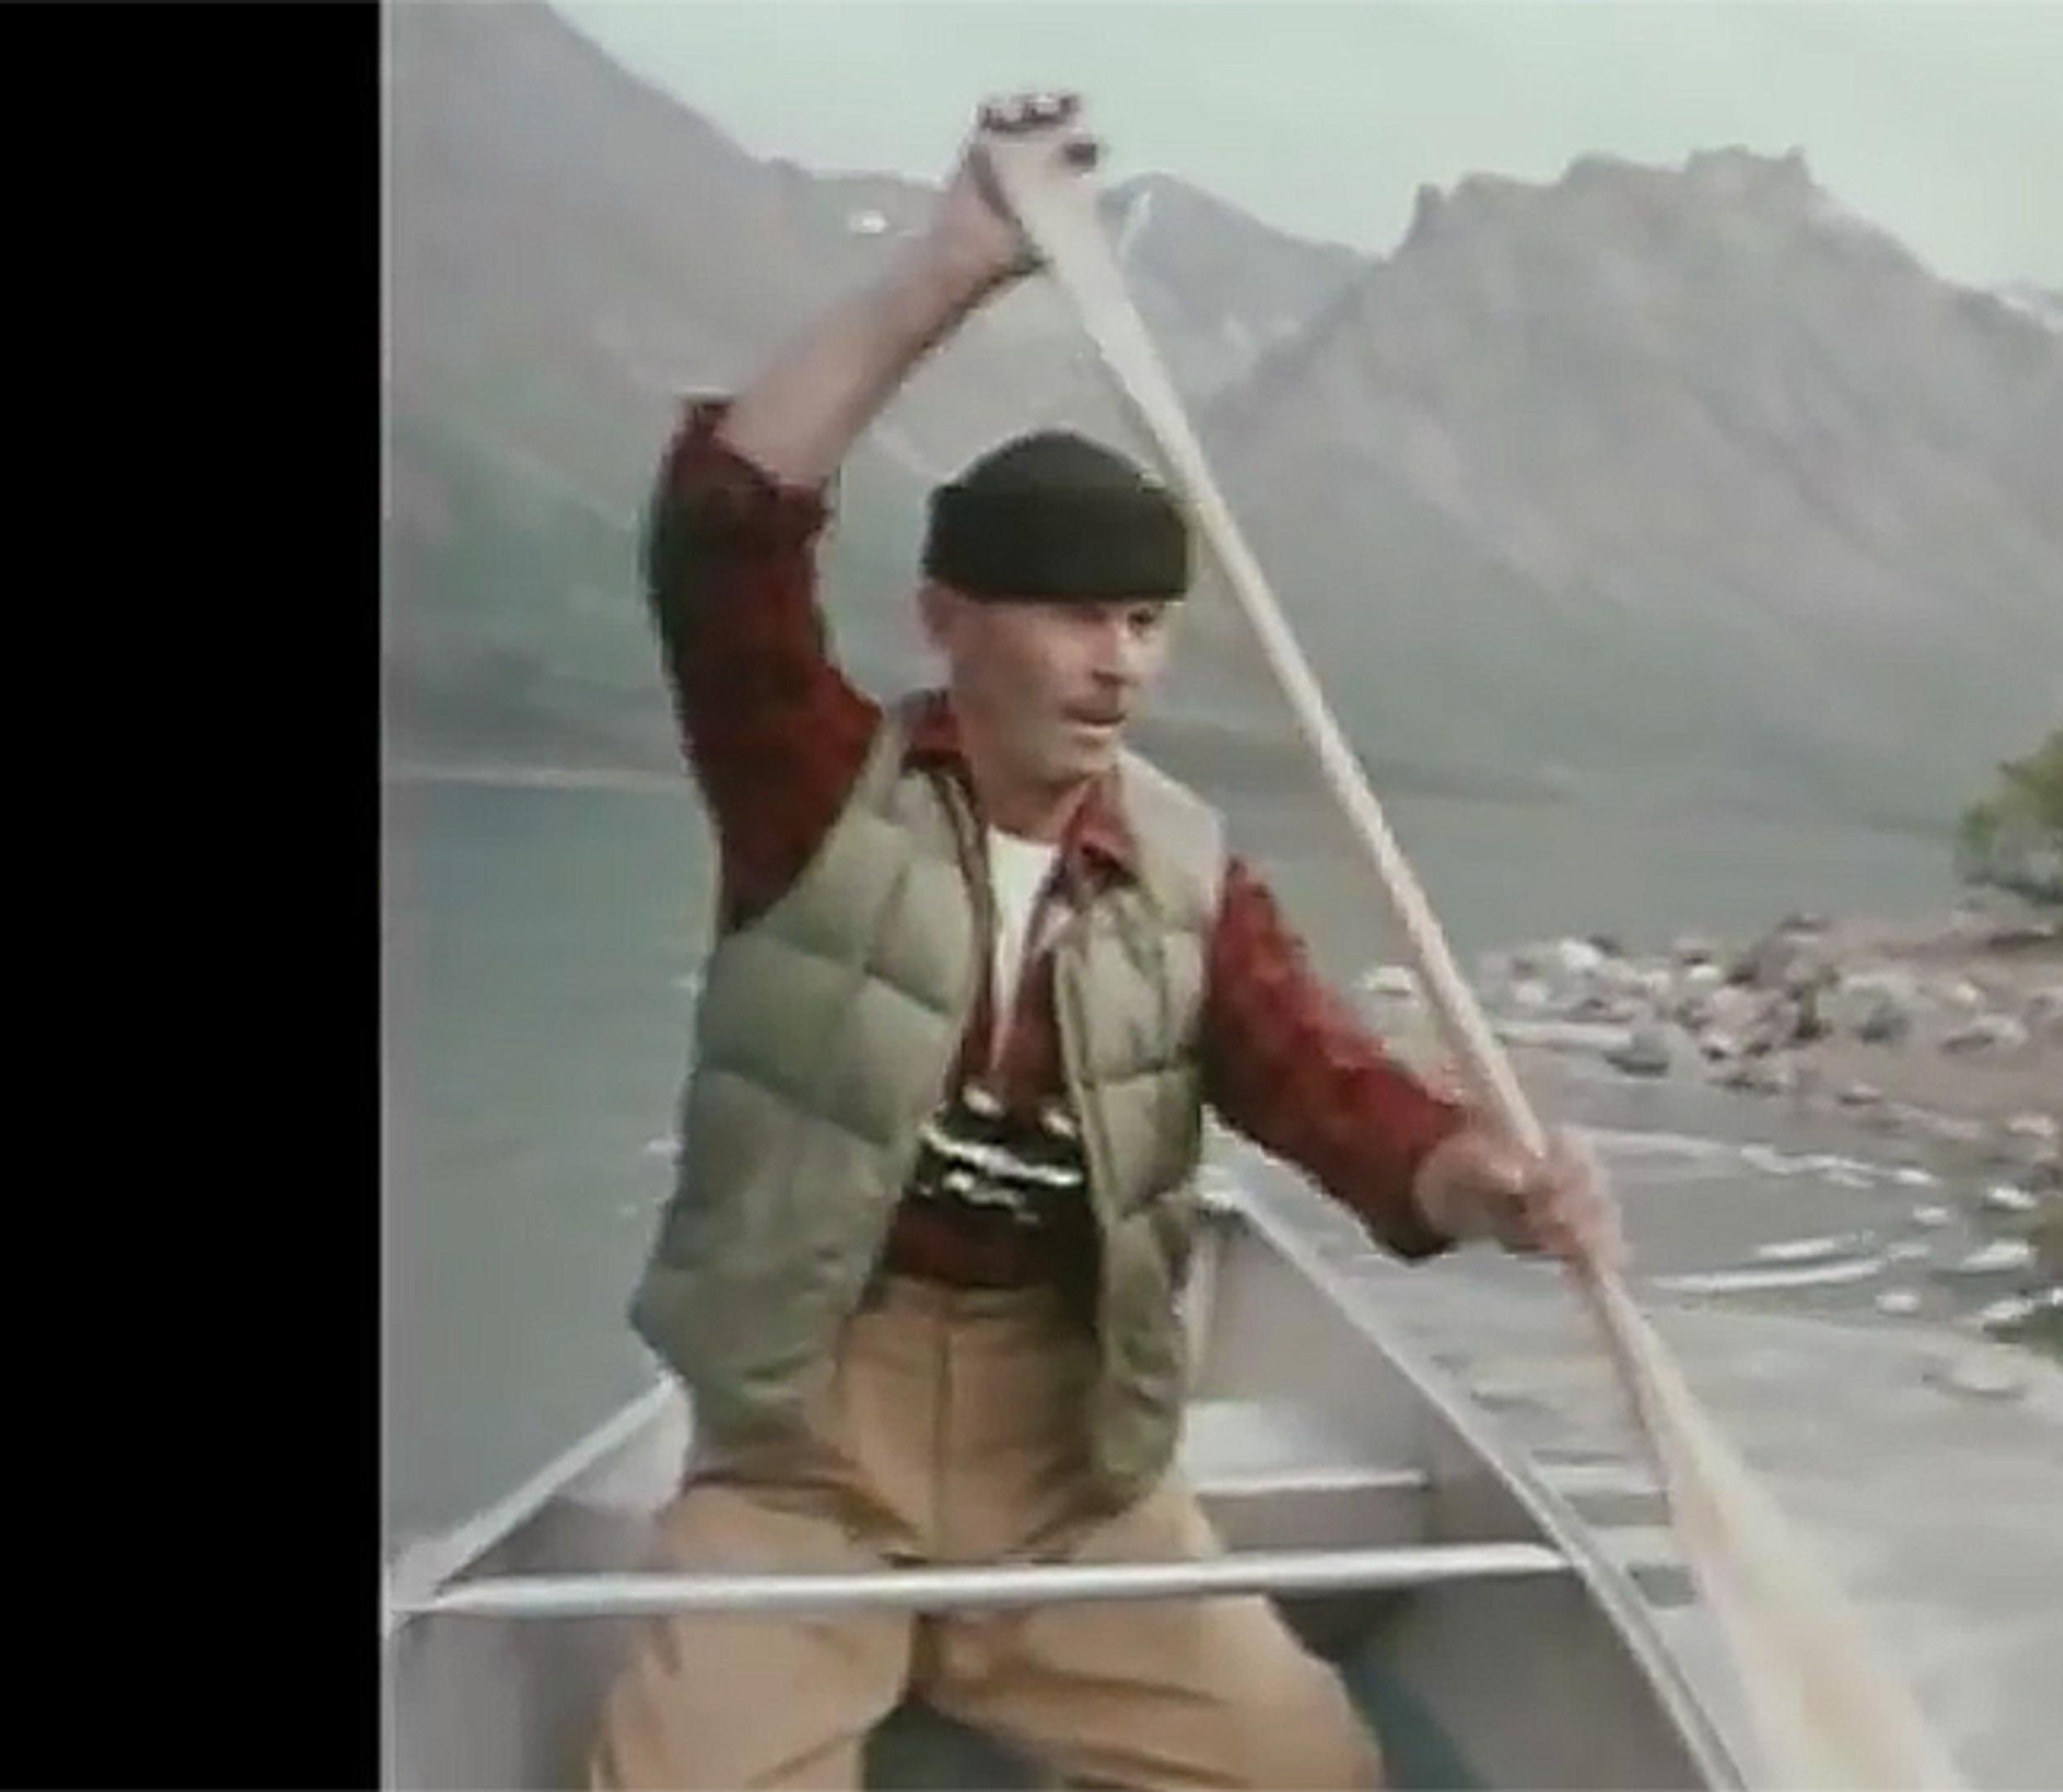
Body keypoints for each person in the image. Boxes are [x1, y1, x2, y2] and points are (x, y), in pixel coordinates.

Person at [590, 90, 1620, 1791]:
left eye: (1147, 621)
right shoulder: (811, 792)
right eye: (1080, 615)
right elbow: (721, 529)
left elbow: (1339, 1098)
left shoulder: (1189, 876)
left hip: (1067, 1474)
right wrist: (951, 266)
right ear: (948, 620)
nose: (1123, 661)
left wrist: (1486, 1187)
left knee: (1313, 1772)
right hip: (803, 1459)